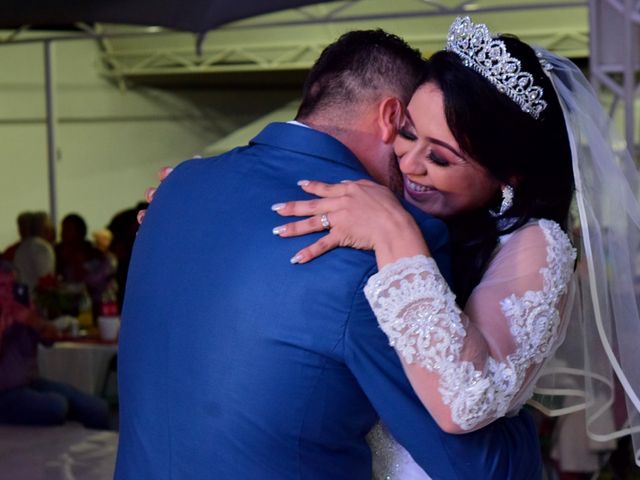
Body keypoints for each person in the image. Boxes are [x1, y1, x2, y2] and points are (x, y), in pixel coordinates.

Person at [116, 29, 542, 479]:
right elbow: (475, 467)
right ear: (391, 117)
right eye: (411, 133)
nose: (415, 163)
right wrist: (521, 395)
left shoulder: (178, 187)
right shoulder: (381, 241)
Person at [272, 17, 640, 475]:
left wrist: (395, 237)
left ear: (508, 175)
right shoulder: (401, 203)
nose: (409, 164)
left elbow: (466, 400)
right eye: (408, 133)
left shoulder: (537, 244)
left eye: (440, 157)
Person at [0, 261, 110, 429]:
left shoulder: (23, 311)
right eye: (2, 286)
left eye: (12, 285)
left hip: (30, 383)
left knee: (97, 408)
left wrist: (34, 321)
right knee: (57, 406)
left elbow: (50, 338)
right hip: (4, 393)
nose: (8, 291)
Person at [14, 211, 55, 292]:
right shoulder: (41, 247)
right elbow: (45, 278)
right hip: (38, 298)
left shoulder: (23, 246)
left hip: (23, 296)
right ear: (45, 228)